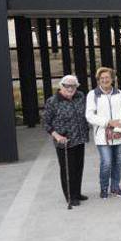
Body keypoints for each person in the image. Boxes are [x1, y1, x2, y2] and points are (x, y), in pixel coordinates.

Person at [42, 75, 90, 207]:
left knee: (78, 167)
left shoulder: (80, 96)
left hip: (79, 138)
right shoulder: (53, 101)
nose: (70, 88)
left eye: (73, 86)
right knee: (68, 169)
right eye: (67, 86)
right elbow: (46, 122)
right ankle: (70, 196)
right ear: (61, 87)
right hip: (65, 141)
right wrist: (56, 136)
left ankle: (77, 192)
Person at [86, 67, 121, 199]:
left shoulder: (119, 93)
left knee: (118, 162)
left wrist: (119, 129)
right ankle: (104, 188)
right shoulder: (93, 95)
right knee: (106, 162)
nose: (105, 80)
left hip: (118, 134)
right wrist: (108, 122)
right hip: (102, 135)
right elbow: (89, 116)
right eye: (102, 78)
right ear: (98, 80)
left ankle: (115, 188)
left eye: (107, 77)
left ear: (112, 79)